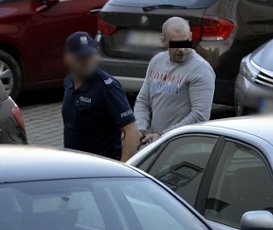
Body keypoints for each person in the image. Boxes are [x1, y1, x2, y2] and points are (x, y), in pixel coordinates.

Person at [135, 17, 215, 145]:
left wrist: (163, 135)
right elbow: (143, 101)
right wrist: (140, 130)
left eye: (185, 42)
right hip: (155, 143)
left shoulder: (200, 69)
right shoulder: (156, 61)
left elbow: (200, 115)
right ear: (163, 41)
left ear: (190, 37)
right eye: (175, 44)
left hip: (181, 147)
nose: (182, 49)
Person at [61, 31, 139, 161]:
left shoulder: (107, 87)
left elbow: (132, 131)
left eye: (89, 56)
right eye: (81, 58)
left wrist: (122, 170)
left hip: (99, 169)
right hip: (74, 165)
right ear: (69, 58)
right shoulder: (69, 81)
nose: (87, 62)